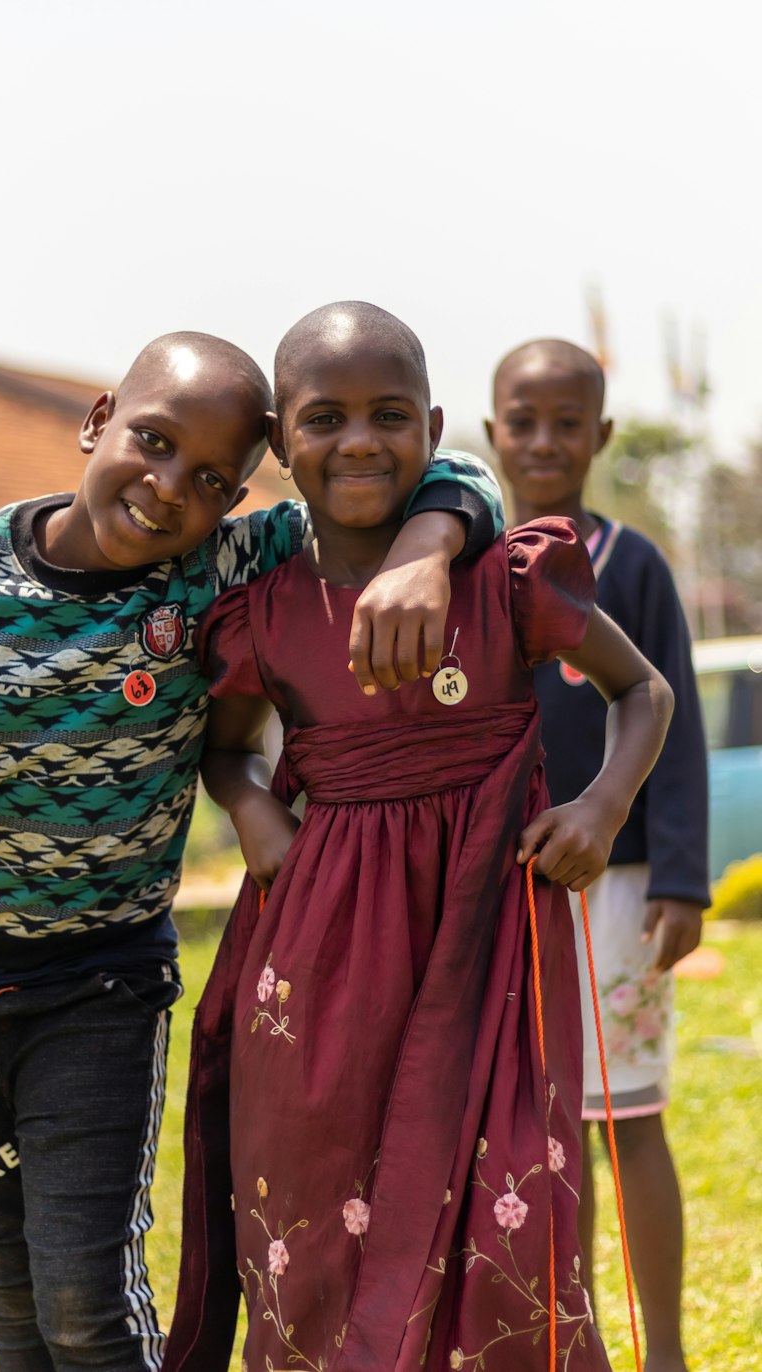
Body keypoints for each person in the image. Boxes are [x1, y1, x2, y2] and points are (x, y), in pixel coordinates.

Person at [0, 329, 504, 1372]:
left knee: (85, 1299)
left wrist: (429, 551)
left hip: (99, 983)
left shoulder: (219, 565)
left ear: (237, 498)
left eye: (210, 478)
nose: (167, 488)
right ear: (98, 419)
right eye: (151, 442)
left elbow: (450, 472)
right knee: (13, 1283)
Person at [163, 303, 673, 1372]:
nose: (358, 440)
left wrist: (602, 805)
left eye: (390, 415)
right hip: (322, 940)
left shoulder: (509, 583)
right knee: (308, 1180)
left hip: (491, 928)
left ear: (434, 428)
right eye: (325, 418)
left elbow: (645, 693)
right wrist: (256, 811)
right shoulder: (261, 611)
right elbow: (224, 749)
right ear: (279, 443)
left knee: (505, 1205)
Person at [485, 338, 710, 1372]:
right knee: (539, 1137)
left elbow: (677, 722)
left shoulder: (632, 567)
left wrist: (678, 877)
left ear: (600, 435)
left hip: (614, 897)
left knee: (628, 1122)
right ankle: (564, 1346)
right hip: (495, 894)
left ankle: (660, 1351)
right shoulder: (465, 565)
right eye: (521, 422)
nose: (541, 441)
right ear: (489, 433)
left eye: (565, 423)